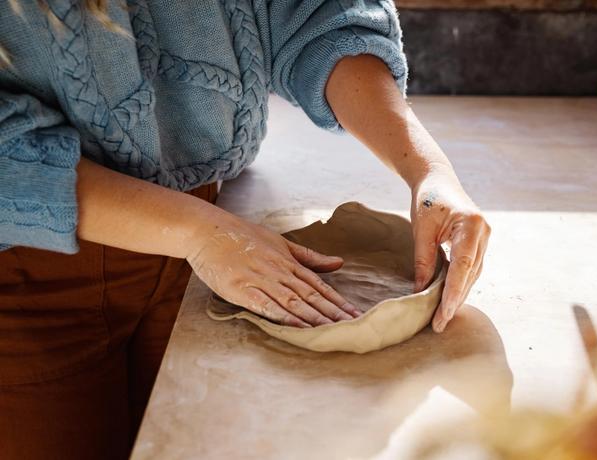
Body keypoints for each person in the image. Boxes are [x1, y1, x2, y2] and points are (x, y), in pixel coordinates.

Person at [0, 1, 490, 458]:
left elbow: (318, 14)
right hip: (28, 265)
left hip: (213, 235)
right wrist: (198, 232)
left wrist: (428, 170)